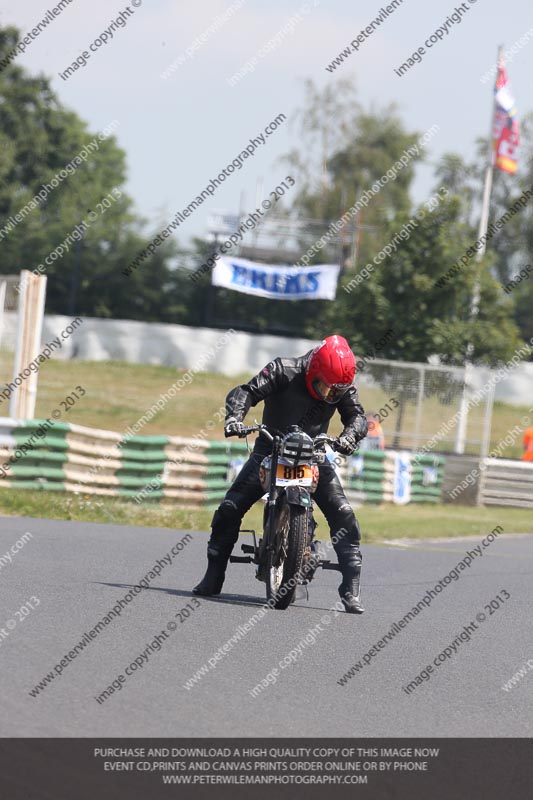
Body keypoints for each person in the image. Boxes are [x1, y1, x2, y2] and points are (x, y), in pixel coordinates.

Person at [193, 334, 368, 613]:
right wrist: (234, 417)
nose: (330, 396)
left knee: (344, 512)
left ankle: (351, 587)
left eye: (336, 392)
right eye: (326, 388)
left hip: (313, 454)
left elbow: (357, 416)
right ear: (313, 370)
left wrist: (350, 435)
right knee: (230, 507)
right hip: (270, 449)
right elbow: (246, 391)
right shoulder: (282, 370)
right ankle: (214, 574)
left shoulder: (340, 385)